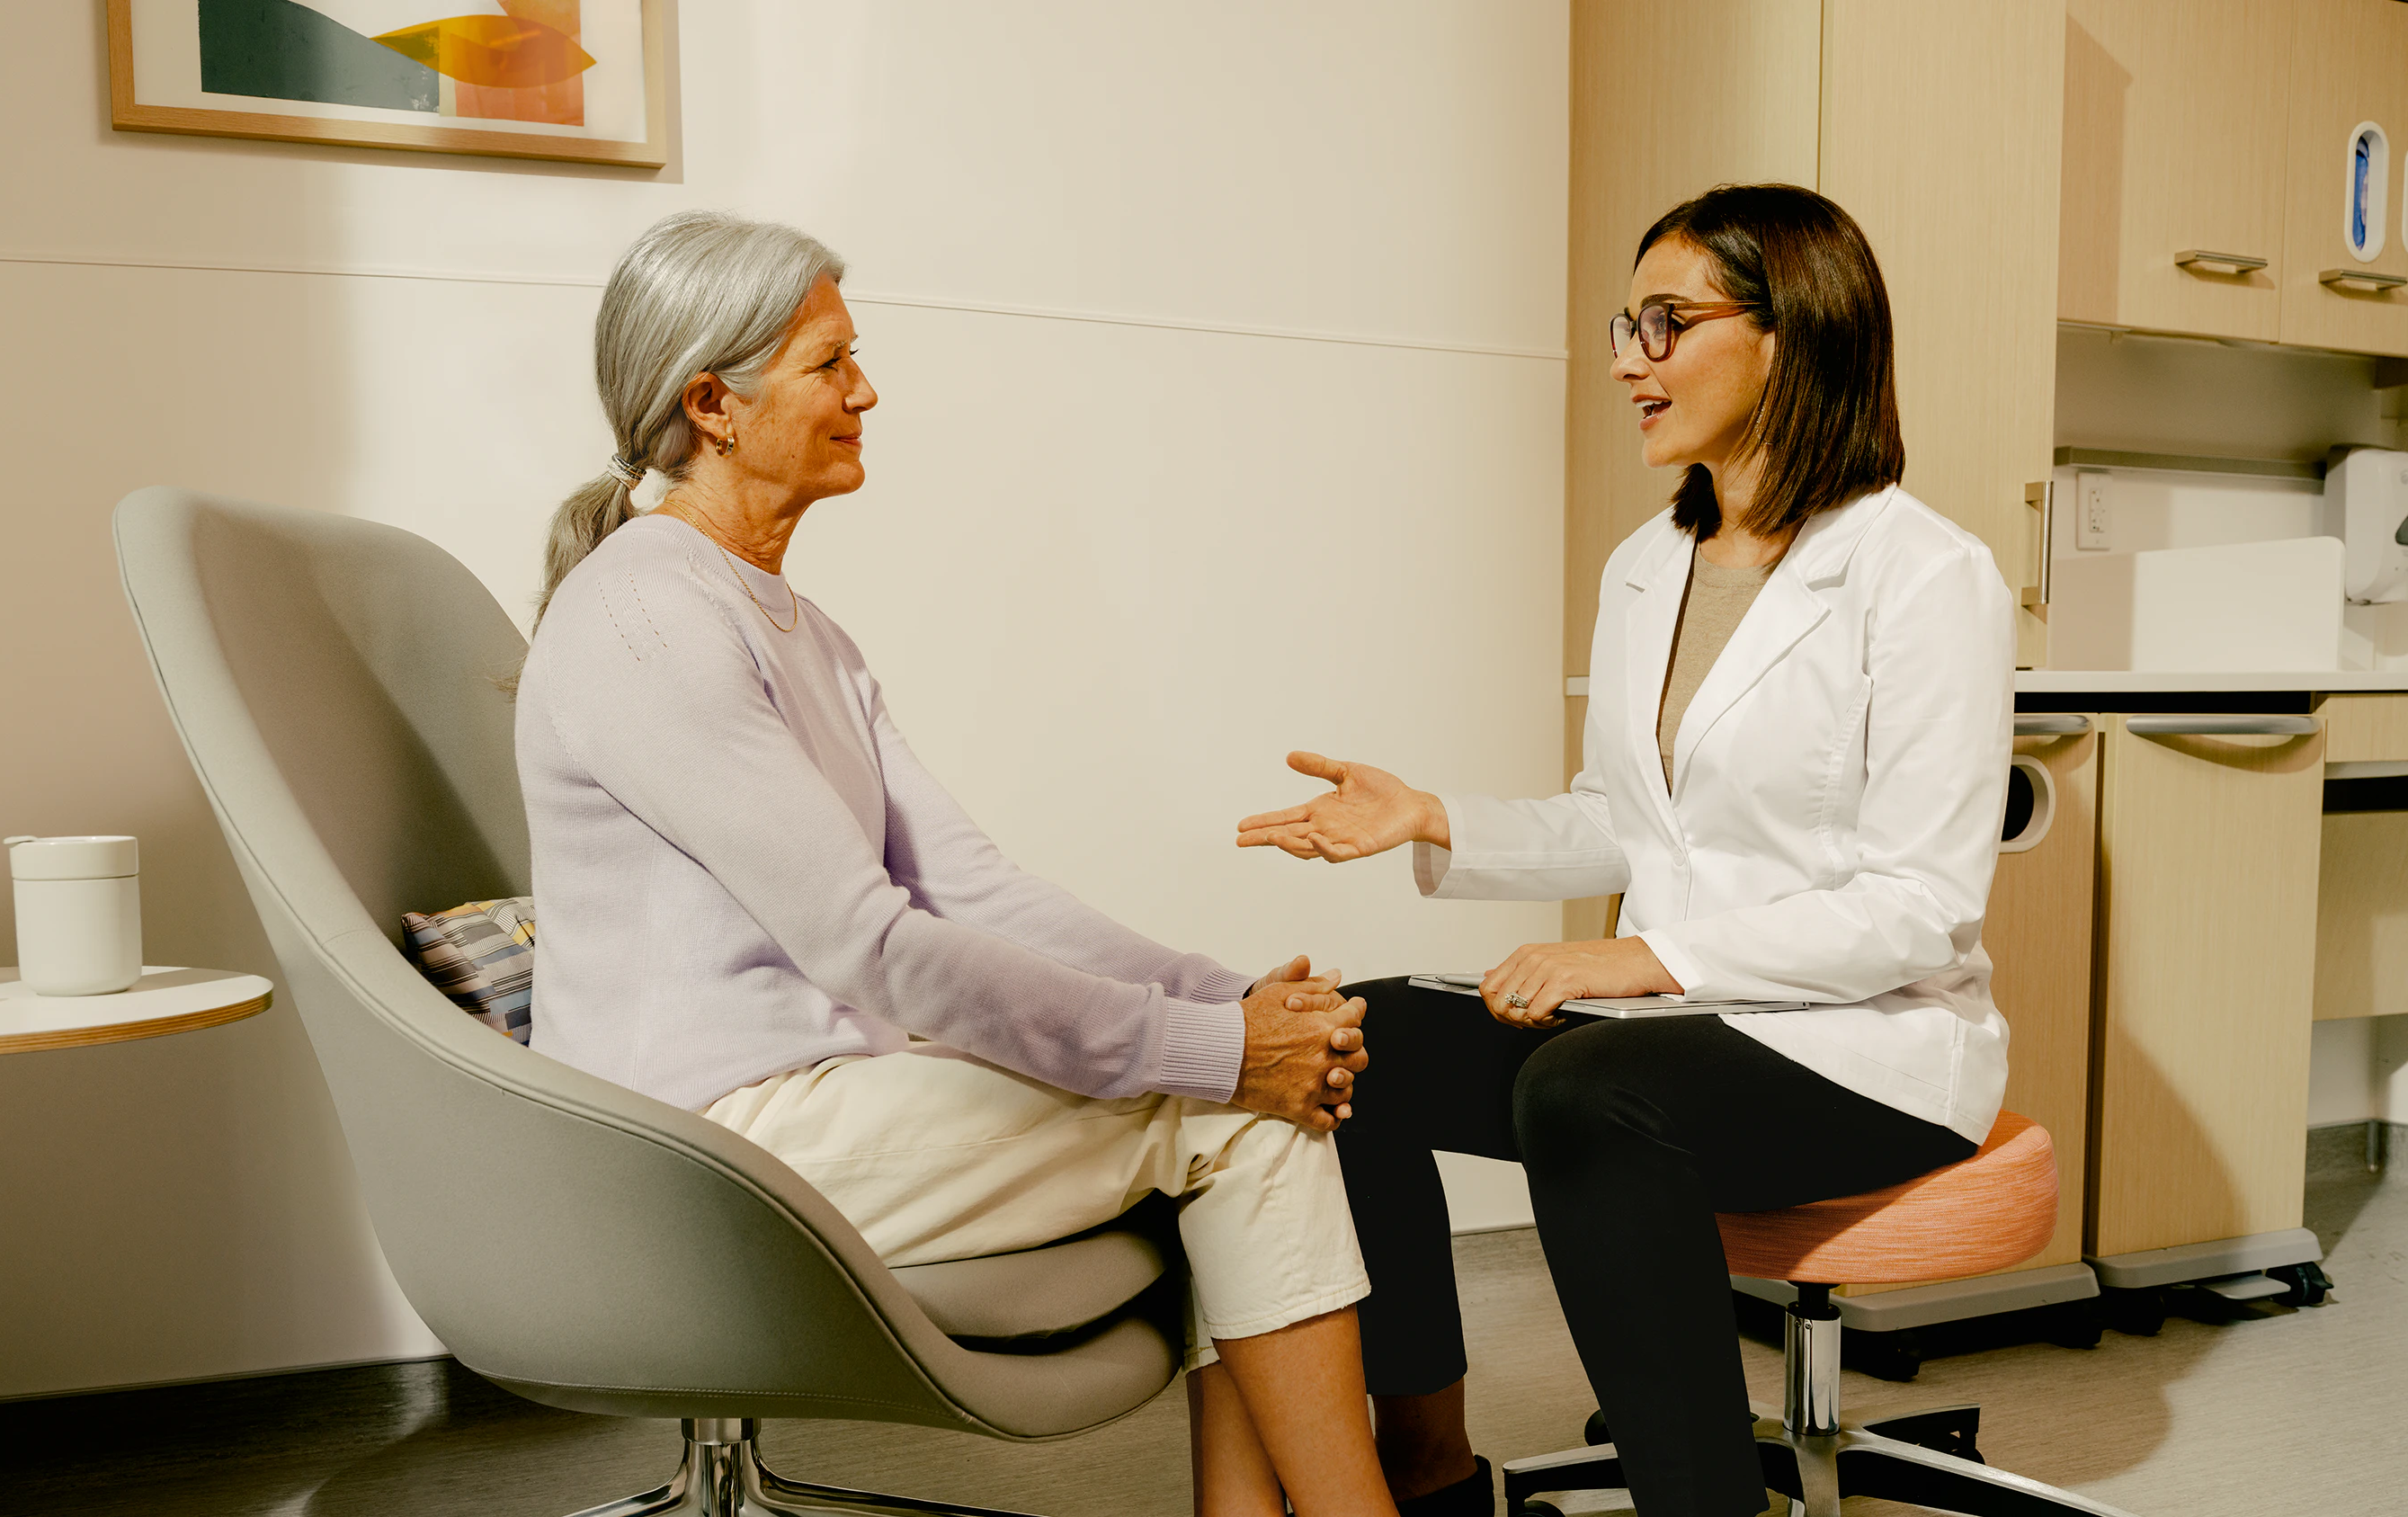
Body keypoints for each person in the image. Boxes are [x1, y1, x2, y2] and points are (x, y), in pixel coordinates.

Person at [516, 210, 1399, 1517]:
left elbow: (976, 891)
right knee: (1226, 1105)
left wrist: (1233, 1003)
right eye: (831, 363)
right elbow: (872, 944)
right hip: (701, 1150)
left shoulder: (803, 631)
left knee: (1238, 1077)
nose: (865, 390)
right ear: (714, 401)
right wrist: (1220, 1049)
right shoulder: (650, 613)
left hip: (816, 1107)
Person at [1236, 183, 2015, 1517]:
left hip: (1864, 1044)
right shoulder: (1647, 566)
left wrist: (1643, 956)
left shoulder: (1928, 577)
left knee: (1586, 1089)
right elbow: (1626, 814)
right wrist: (1435, 818)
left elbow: (1920, 906)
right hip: (1672, 1021)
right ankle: (1428, 1467)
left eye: (1666, 323)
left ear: (1790, 334)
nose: (1624, 361)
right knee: (1352, 1038)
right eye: (1625, 322)